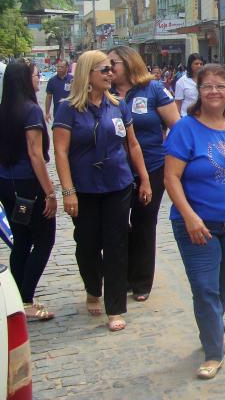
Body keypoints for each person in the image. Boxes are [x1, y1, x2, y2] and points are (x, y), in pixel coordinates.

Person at [53, 50, 152, 331]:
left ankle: (115, 306)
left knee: (116, 244)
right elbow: (60, 152)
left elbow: (132, 145)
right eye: (104, 70)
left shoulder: (118, 105)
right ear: (88, 74)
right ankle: (93, 287)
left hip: (117, 184)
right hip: (84, 188)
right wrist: (68, 191)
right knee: (86, 244)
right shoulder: (68, 109)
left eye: (111, 69)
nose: (111, 74)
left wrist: (143, 178)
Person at [163, 64, 225, 379]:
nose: (214, 91)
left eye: (220, 86)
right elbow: (171, 177)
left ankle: (217, 331)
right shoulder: (185, 129)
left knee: (223, 288)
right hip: (197, 225)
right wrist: (189, 216)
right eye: (207, 86)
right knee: (205, 289)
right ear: (197, 92)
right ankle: (213, 351)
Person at [108, 45, 180, 302]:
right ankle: (122, 275)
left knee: (144, 223)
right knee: (117, 226)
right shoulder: (106, 93)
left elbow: (177, 127)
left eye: (113, 63)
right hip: (115, 172)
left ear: (128, 63)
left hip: (151, 167)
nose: (109, 68)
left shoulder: (154, 89)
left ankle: (141, 281)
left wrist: (169, 160)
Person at [0, 61, 57, 321]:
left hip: (6, 185)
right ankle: (25, 299)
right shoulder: (31, 111)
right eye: (36, 76)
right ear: (25, 80)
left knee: (22, 240)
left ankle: (16, 299)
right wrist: (50, 191)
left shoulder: (3, 110)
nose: (38, 80)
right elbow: (36, 155)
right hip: (28, 185)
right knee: (44, 240)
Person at [44, 58, 73, 123]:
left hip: (71, 112)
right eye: (58, 67)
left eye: (62, 67)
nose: (59, 69)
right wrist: (47, 113)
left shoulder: (72, 80)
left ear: (67, 68)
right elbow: (48, 97)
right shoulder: (52, 81)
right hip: (57, 113)